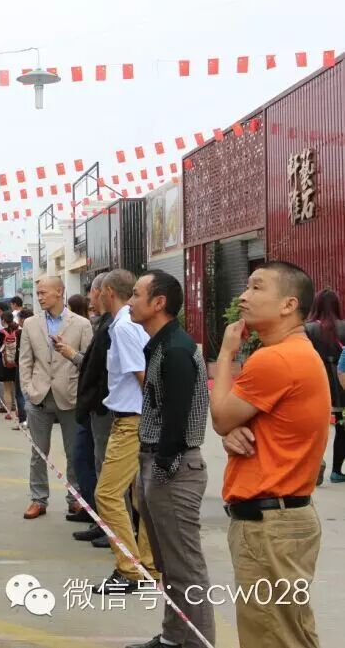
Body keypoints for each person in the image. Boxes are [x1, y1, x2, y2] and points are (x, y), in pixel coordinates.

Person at [211, 262, 326, 648]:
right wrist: (231, 432)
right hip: (284, 518)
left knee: (271, 635)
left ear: (288, 305)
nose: (244, 296)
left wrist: (225, 354)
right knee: (289, 631)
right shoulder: (296, 353)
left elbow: (221, 417)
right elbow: (240, 426)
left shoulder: (274, 359)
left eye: (257, 288)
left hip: (269, 524)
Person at [127, 270, 214, 648]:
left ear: (158, 302)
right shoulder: (161, 344)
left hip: (175, 469)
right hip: (156, 464)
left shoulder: (176, 349)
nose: (130, 302)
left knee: (186, 570)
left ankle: (196, 642)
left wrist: (162, 464)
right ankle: (173, 637)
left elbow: (177, 418)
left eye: (136, 294)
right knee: (169, 566)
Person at [89, 270, 157, 594]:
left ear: (108, 292)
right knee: (140, 496)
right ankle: (149, 565)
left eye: (98, 291)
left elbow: (143, 375)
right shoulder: (127, 324)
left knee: (107, 494)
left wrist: (157, 415)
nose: (95, 296)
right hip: (136, 418)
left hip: (133, 421)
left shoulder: (124, 327)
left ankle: (130, 569)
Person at [18, 276, 93, 519]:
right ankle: (38, 499)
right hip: (39, 396)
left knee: (74, 452)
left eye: (43, 292)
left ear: (59, 292)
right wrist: (28, 389)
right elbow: (25, 360)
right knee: (38, 453)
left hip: (70, 395)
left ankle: (75, 498)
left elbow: (88, 362)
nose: (39, 297)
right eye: (38, 293)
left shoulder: (81, 324)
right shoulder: (31, 324)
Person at [52, 273, 113, 536]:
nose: (90, 299)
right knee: (83, 460)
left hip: (102, 407)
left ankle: (107, 525)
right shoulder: (105, 324)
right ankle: (94, 513)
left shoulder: (110, 327)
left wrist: (72, 355)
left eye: (92, 294)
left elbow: (98, 366)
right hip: (91, 407)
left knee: (98, 465)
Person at [304, 289, 345, 483]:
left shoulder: (308, 329)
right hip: (341, 387)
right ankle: (336, 471)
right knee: (342, 427)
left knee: (314, 428)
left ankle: (316, 464)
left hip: (317, 383)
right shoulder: (344, 327)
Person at [0, 312, 19, 420]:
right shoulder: (19, 332)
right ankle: (19, 411)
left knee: (7, 389)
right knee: (18, 389)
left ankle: (9, 412)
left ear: (3, 320)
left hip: (5, 364)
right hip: (17, 363)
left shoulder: (0, 333)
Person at [11, 308, 33, 429]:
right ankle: (31, 419)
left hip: (22, 365)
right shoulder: (38, 331)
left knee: (20, 393)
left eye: (19, 319)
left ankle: (23, 420)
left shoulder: (20, 333)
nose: (18, 321)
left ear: (23, 319)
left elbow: (19, 352)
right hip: (35, 366)